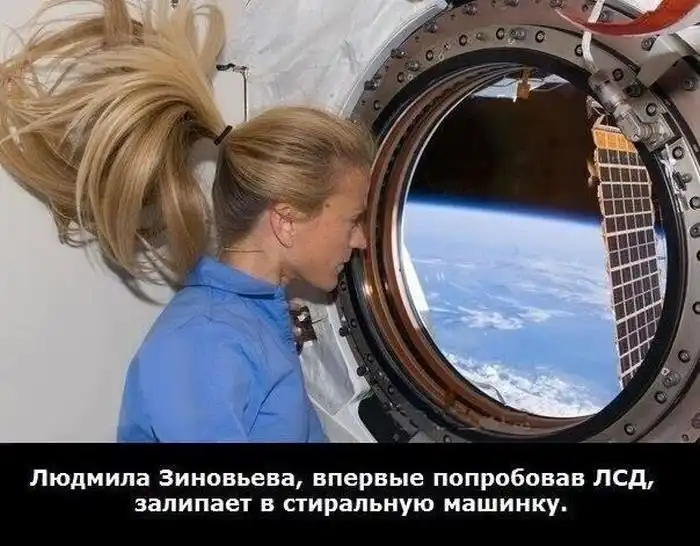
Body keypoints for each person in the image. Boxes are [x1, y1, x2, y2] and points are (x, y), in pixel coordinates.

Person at [0, 0, 375, 442]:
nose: (362, 240)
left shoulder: (251, 321)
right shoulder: (206, 343)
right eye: (353, 219)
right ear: (286, 221)